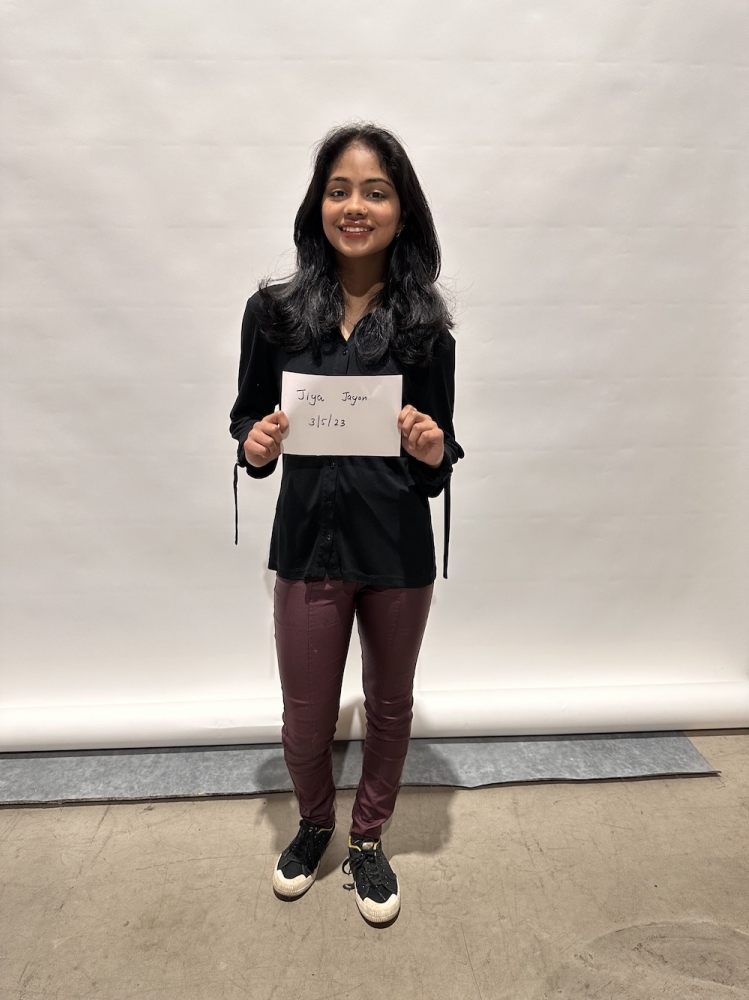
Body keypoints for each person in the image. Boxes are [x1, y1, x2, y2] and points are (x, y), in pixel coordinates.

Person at [229, 122, 463, 926]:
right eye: (339, 190)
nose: (355, 206)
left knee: (389, 707)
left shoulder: (426, 328)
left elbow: (438, 460)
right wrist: (256, 444)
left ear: (402, 211)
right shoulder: (275, 314)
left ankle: (367, 839)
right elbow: (248, 422)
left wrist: (430, 449)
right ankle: (315, 823)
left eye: (375, 191)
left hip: (397, 550)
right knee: (305, 718)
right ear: (317, 205)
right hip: (308, 547)